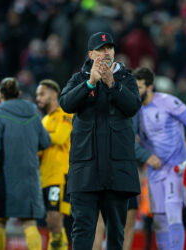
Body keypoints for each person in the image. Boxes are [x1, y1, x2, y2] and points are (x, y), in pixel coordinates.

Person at [59, 31, 142, 250]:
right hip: (85, 170)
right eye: (101, 49)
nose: (107, 53)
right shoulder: (79, 78)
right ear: (90, 54)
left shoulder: (126, 78)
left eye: (110, 49)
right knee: (82, 229)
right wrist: (90, 83)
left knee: (116, 230)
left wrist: (112, 84)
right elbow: (65, 104)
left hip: (117, 169)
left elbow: (133, 106)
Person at [133, 67, 186, 250]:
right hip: (154, 171)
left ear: (150, 87)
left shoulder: (167, 102)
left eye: (139, 87)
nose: (136, 91)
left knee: (173, 215)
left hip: (175, 167)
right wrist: (145, 155)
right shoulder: (135, 111)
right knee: (159, 220)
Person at [0, 77, 51, 250]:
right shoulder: (33, 112)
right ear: (19, 94)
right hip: (30, 176)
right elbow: (45, 142)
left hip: (4, 176)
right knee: (30, 223)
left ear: (0, 95)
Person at [93, 111, 161, 250]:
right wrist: (145, 154)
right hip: (121, 169)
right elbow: (130, 141)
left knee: (107, 222)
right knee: (109, 223)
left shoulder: (100, 101)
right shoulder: (131, 105)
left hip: (111, 169)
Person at [36, 79, 73, 250]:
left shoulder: (65, 115)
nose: (38, 98)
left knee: (56, 219)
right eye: (37, 95)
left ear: (54, 94)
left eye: (42, 94)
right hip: (44, 177)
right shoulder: (44, 121)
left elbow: (59, 137)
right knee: (51, 223)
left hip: (59, 176)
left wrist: (35, 137)